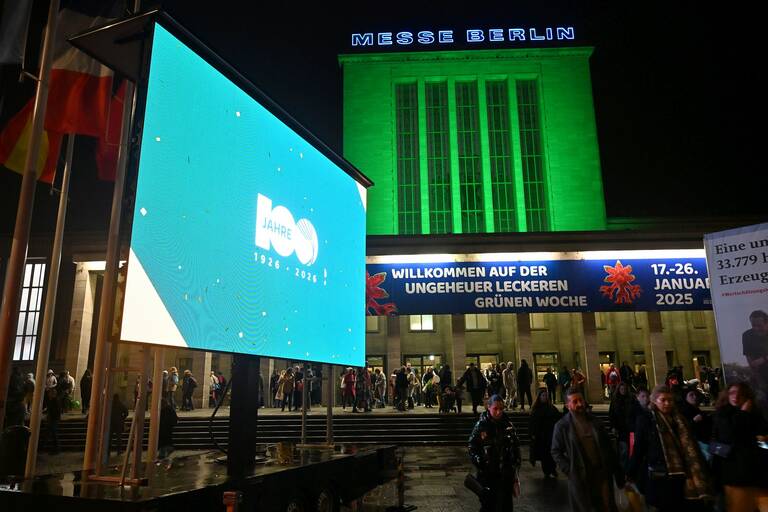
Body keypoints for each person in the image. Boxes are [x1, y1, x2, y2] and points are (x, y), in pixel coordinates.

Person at [629, 385, 712, 511]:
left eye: (670, 400)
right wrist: (630, 472)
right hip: (661, 476)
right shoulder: (647, 420)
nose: (667, 403)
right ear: (654, 401)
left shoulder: (679, 419)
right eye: (663, 400)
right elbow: (639, 448)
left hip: (682, 477)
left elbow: (691, 446)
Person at [551, 388, 624, 512]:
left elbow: (608, 448)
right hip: (580, 477)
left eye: (581, 400)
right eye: (575, 401)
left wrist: (617, 472)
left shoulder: (595, 422)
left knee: (606, 506)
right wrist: (569, 469)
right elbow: (555, 451)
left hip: (602, 475)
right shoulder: (562, 426)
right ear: (568, 405)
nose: (580, 404)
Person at [711, 382, 768, 512]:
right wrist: (743, 414)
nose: (735, 397)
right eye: (732, 393)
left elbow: (762, 432)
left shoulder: (754, 413)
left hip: (749, 469)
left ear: (747, 397)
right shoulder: (723, 413)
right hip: (730, 469)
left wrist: (763, 439)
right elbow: (729, 435)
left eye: (740, 394)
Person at [468, 395, 521, 511]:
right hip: (488, 475)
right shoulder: (481, 426)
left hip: (505, 475)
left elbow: (515, 448)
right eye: (495, 409)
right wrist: (480, 460)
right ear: (489, 407)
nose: (498, 412)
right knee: (489, 506)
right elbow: (472, 447)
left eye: (501, 409)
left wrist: (515, 473)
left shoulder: (508, 425)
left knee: (506, 506)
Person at [529, 388, 561, 478]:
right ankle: (547, 471)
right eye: (543, 395)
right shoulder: (536, 409)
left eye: (546, 395)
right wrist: (533, 434)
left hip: (550, 435)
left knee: (552, 454)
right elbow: (533, 423)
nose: (545, 397)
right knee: (544, 455)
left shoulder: (551, 408)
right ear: (539, 397)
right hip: (542, 437)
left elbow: (558, 418)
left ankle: (552, 469)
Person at [678, 386, 712, 460]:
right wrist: (693, 421)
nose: (695, 397)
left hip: (705, 441)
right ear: (685, 398)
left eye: (695, 395)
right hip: (696, 444)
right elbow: (683, 429)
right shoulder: (683, 412)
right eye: (691, 395)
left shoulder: (696, 409)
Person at [608, 382, 635, 471]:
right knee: (624, 451)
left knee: (631, 451)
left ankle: (630, 469)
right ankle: (623, 470)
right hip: (621, 430)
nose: (623, 391)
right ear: (619, 390)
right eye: (621, 389)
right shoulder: (615, 401)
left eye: (624, 389)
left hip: (630, 429)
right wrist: (613, 427)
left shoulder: (631, 400)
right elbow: (611, 415)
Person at [45, 386, 62, 454]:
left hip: (54, 419)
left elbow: (56, 411)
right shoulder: (53, 400)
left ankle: (56, 448)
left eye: (50, 393)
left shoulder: (55, 401)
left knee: (54, 434)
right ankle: (55, 448)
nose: (49, 394)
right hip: (53, 418)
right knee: (53, 434)